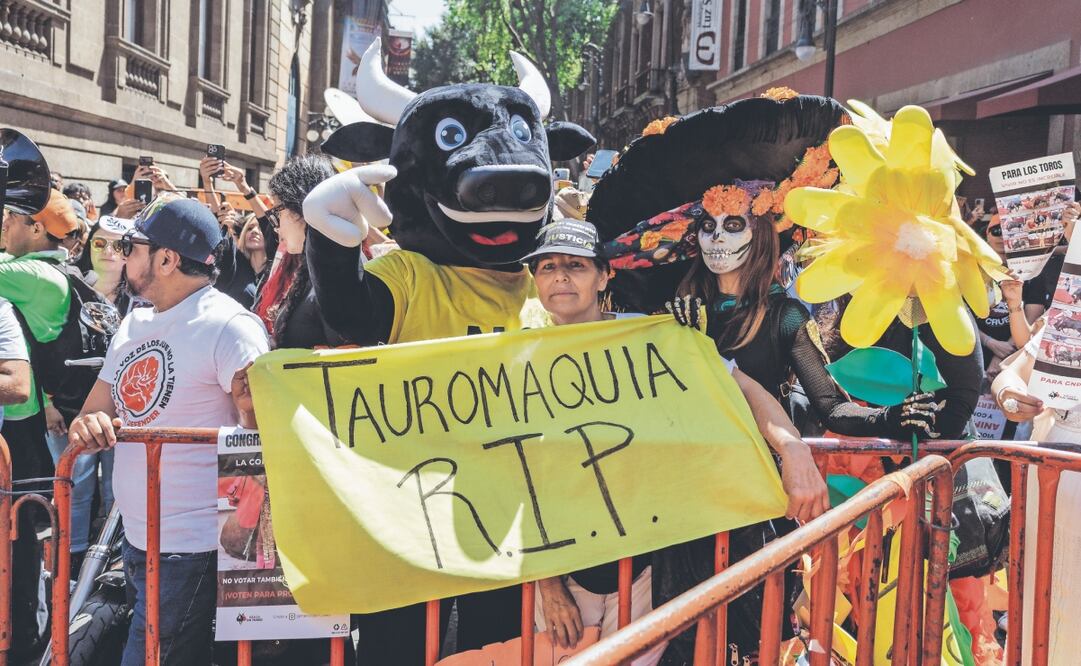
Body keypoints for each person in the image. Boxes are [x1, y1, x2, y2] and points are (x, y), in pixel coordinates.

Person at [524, 220, 828, 662]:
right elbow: (516, 476)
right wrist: (546, 584)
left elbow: (744, 389)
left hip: (644, 562)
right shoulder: (517, 359)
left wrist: (793, 448)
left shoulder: (653, 336)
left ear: (605, 275)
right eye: (547, 267)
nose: (561, 277)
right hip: (563, 566)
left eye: (576, 265)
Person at [67, 194, 269, 666]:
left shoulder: (231, 327)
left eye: (132, 246)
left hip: (192, 546)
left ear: (166, 258)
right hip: (136, 538)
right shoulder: (134, 323)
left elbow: (262, 441)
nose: (120, 255)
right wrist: (91, 425)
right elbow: (90, 413)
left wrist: (248, 410)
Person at [0, 188, 81, 655]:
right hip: (23, 426)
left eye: (11, 217)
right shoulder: (39, 270)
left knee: (20, 540)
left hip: (22, 426)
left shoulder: (36, 275)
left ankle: (25, 641)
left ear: (36, 228)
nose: (4, 225)